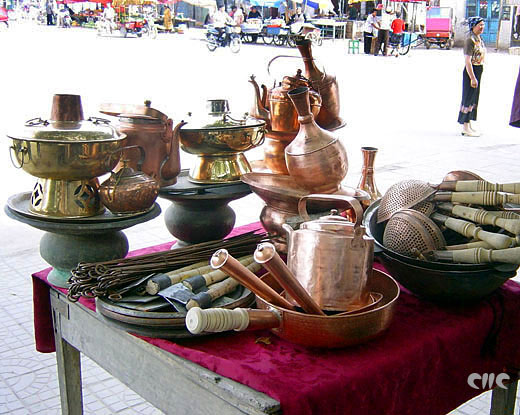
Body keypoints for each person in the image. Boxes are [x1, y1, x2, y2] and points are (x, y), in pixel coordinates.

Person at [458, 16, 486, 137]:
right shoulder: (470, 40)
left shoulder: (479, 38)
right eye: (480, 25)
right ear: (473, 26)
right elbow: (468, 61)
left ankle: (468, 125)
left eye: (483, 25)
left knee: (473, 98)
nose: (482, 27)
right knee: (468, 98)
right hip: (471, 71)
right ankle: (465, 127)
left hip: (478, 69)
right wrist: (473, 78)